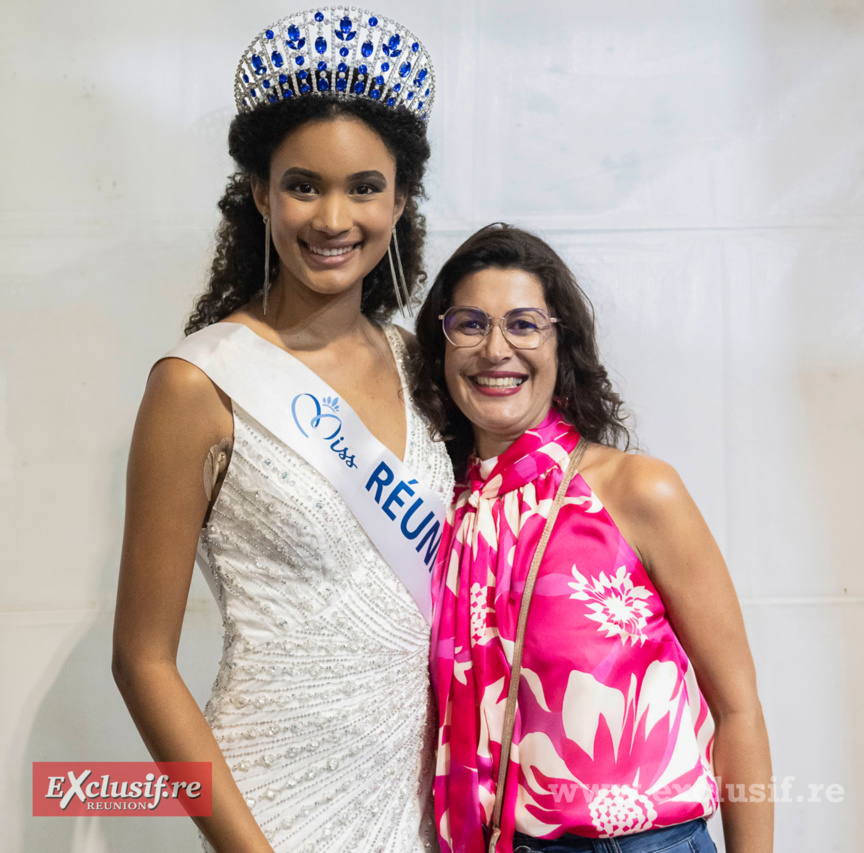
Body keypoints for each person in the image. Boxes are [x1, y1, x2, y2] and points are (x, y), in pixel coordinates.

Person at [112, 9, 453, 853]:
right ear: (260, 192)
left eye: (364, 187)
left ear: (401, 197)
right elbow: (142, 661)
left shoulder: (423, 367)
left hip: (429, 795)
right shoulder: (199, 384)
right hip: (275, 805)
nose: (333, 218)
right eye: (303, 184)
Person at [411, 224, 773, 853]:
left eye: (524, 324)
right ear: (441, 346)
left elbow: (739, 711)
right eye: (470, 324)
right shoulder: (438, 512)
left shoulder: (636, 490)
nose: (496, 349)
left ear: (562, 343)